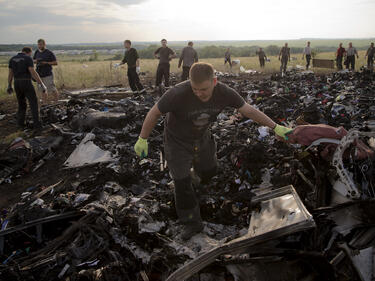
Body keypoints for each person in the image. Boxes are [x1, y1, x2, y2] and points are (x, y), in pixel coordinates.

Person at [133, 62, 293, 240]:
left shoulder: (224, 93)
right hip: (177, 141)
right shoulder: (177, 93)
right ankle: (191, 223)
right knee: (181, 182)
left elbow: (248, 110)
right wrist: (142, 138)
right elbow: (154, 112)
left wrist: (275, 126)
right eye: (195, 89)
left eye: (203, 89)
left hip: (202, 138)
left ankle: (195, 181)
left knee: (209, 170)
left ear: (214, 81)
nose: (199, 93)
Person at [7, 47, 47, 130]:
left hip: (16, 83)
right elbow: (32, 72)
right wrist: (42, 84)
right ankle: (37, 126)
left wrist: (9, 85)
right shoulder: (28, 58)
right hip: (26, 82)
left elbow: (10, 73)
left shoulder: (12, 59)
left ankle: (20, 124)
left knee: (21, 104)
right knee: (33, 103)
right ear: (29, 52)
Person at [33, 39, 58, 103]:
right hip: (39, 74)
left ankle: (56, 101)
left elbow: (55, 63)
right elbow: (33, 60)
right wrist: (37, 61)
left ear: (44, 44)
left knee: (51, 88)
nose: (39, 46)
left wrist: (46, 63)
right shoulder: (37, 52)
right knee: (42, 89)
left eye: (41, 44)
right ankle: (45, 103)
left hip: (47, 74)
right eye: (38, 44)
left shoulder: (49, 52)